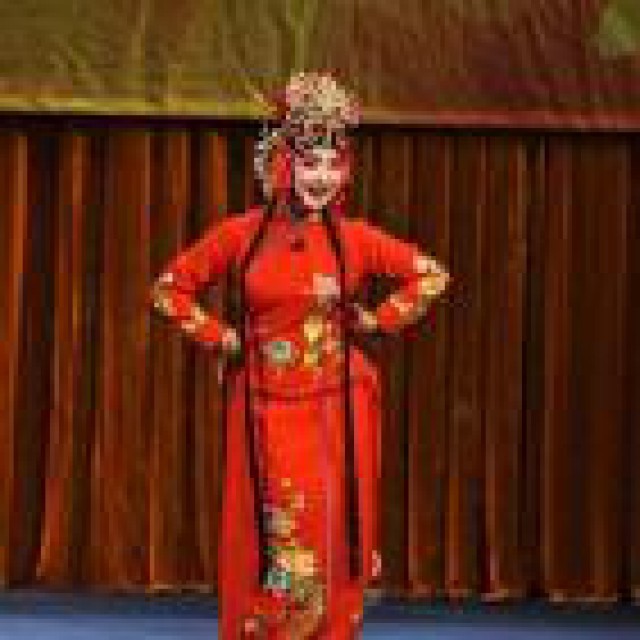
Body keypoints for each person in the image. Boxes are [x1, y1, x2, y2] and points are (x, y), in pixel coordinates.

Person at [151, 71, 451, 639]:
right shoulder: (240, 235)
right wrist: (223, 338)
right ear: (283, 163)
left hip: (337, 408)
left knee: (330, 529)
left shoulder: (355, 239)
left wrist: (376, 321)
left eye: (333, 165)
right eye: (311, 163)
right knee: (272, 531)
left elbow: (431, 275)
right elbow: (169, 290)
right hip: (262, 404)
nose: (322, 178)